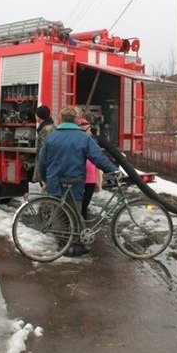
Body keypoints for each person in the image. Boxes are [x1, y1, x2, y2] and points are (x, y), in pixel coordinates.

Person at [39, 106, 118, 255]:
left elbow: (42, 162)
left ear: (61, 119)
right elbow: (98, 157)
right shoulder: (83, 138)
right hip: (74, 182)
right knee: (75, 212)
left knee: (59, 213)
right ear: (76, 120)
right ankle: (75, 245)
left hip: (55, 181)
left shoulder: (51, 137)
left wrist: (45, 178)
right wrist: (112, 170)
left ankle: (63, 244)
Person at [79, 118, 103, 219]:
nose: (90, 132)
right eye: (89, 130)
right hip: (88, 177)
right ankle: (80, 223)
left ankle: (79, 222)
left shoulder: (78, 140)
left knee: (82, 205)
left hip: (82, 176)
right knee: (84, 205)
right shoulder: (89, 141)